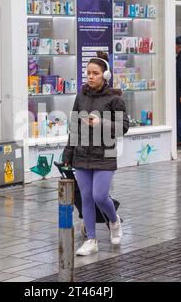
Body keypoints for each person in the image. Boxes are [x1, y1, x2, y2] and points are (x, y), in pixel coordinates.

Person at [63, 52, 129, 256]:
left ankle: (114, 220)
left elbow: (123, 127)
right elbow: (74, 126)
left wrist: (102, 123)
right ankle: (91, 239)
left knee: (100, 196)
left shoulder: (114, 98)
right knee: (86, 198)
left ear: (105, 76)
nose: (90, 77)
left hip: (105, 153)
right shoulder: (81, 96)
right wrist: (68, 154)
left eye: (95, 73)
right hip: (82, 153)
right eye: (88, 73)